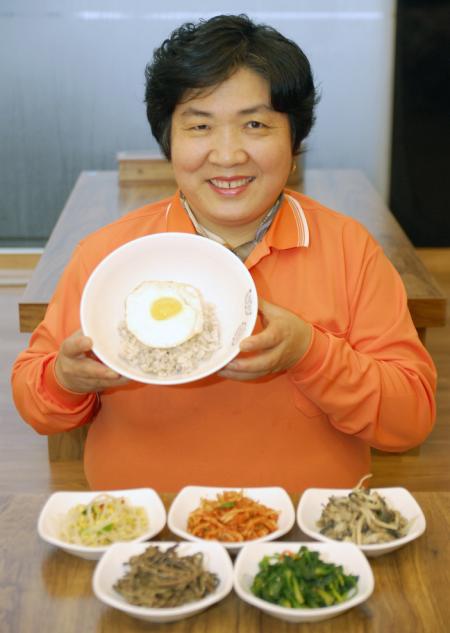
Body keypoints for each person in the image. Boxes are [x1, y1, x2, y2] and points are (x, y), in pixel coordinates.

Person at [11, 14, 436, 492]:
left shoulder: (348, 248)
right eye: (200, 126)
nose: (228, 155)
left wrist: (310, 352)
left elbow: (409, 420)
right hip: (145, 525)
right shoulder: (109, 255)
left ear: (294, 140)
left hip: (308, 528)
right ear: (168, 141)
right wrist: (66, 379)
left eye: (255, 124)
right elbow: (37, 404)